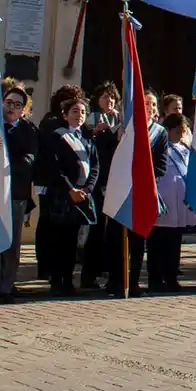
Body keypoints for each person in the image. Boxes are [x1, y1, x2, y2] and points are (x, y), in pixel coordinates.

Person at [0, 80, 38, 303]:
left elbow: (30, 159)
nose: (12, 107)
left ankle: (7, 286)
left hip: (15, 192)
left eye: (17, 104)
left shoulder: (29, 130)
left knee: (11, 242)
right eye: (8, 102)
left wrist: (5, 160)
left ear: (24, 109)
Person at [41, 94, 100, 296]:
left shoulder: (88, 138)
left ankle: (69, 279)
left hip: (82, 196)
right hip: (63, 196)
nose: (79, 115)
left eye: (83, 112)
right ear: (65, 115)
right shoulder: (57, 136)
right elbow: (54, 166)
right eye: (75, 111)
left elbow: (95, 166)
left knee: (74, 242)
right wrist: (70, 190)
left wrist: (87, 189)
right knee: (59, 241)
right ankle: (57, 281)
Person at [34, 85, 83, 280]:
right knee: (47, 223)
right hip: (49, 180)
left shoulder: (76, 127)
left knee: (65, 226)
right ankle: (45, 266)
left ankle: (60, 268)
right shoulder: (51, 121)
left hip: (70, 184)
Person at [81, 82, 120, 290]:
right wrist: (97, 132)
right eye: (105, 97)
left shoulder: (120, 120)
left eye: (112, 97)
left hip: (115, 180)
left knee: (111, 230)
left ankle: (109, 271)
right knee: (96, 229)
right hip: (98, 180)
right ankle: (89, 274)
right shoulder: (91, 119)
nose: (110, 101)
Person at [150, 113, 192, 292]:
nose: (180, 134)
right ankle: (155, 279)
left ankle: (172, 276)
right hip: (164, 197)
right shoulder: (160, 147)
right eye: (177, 130)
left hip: (179, 200)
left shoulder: (184, 149)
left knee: (175, 241)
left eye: (183, 131)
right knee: (158, 241)